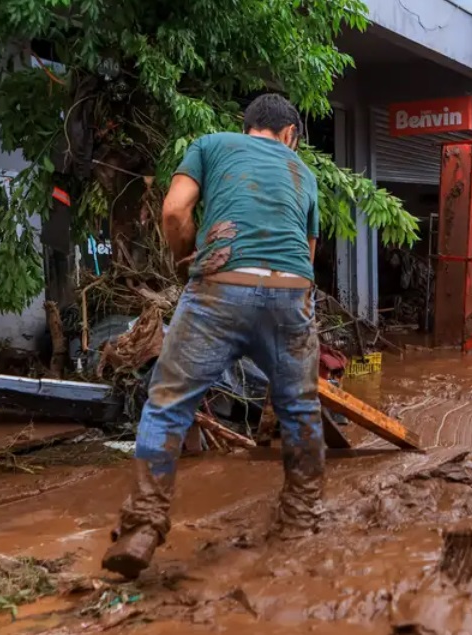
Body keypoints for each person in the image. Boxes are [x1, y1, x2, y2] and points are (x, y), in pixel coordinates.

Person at [102, 93, 325, 579]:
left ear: (249, 127)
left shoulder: (209, 144)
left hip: (220, 288)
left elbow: (174, 212)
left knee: (168, 403)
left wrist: (185, 259)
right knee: (300, 407)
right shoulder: (303, 174)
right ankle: (301, 521)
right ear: (291, 135)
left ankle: (143, 526)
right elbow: (306, 257)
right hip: (291, 294)